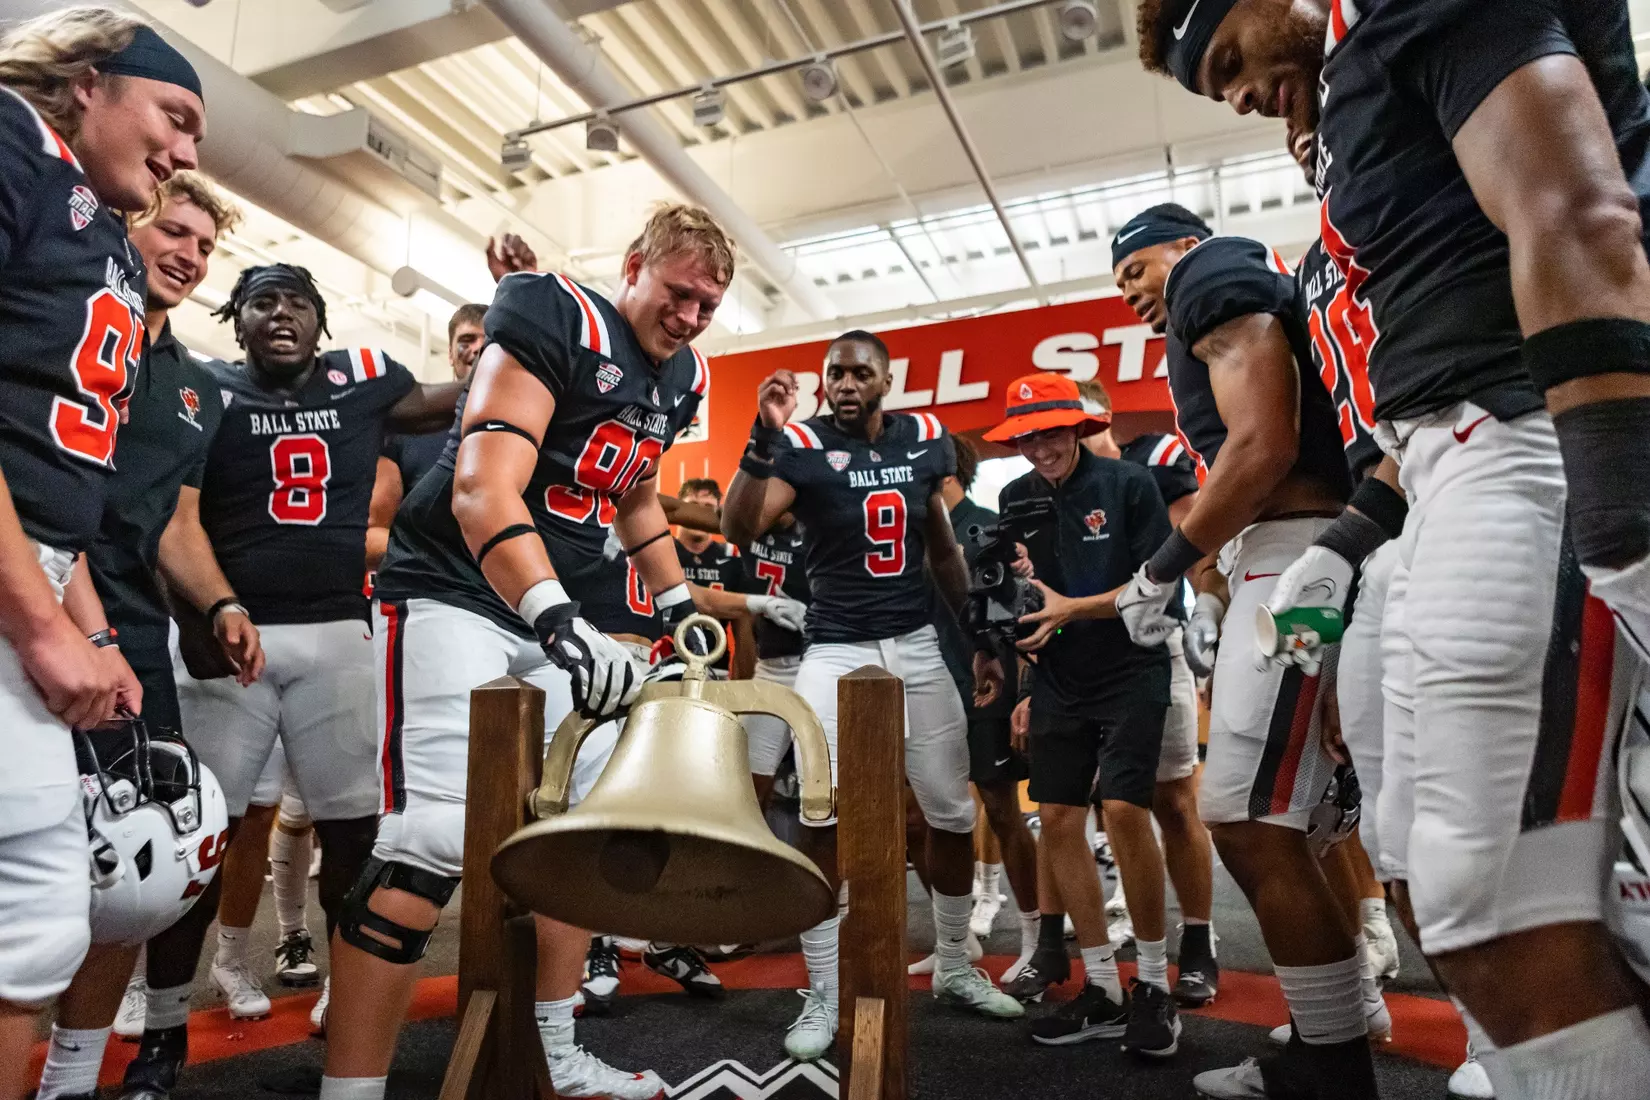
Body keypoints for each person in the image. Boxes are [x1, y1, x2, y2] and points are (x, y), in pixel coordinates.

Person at [1136, 2, 1650, 1095]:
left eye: (1227, 59)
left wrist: (1625, 513)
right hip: (1437, 468)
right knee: (1436, 866)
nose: (1234, 95)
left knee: (1502, 895)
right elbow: (1427, 366)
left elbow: (1579, 214)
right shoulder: (1366, 82)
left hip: (1524, 438)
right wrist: (1353, 539)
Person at [321, 204, 730, 1100]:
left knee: (582, 834)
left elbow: (635, 496)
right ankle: (349, 1089)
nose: (691, 316)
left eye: (709, 302)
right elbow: (479, 488)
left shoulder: (682, 373)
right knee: (426, 840)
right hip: (453, 590)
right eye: (679, 292)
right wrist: (561, 619)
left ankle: (555, 1051)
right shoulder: (554, 313)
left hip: (548, 607)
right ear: (633, 266)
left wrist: (677, 607)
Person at [118, 265, 459, 1099]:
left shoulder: (366, 381)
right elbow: (175, 518)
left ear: (322, 322)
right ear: (235, 322)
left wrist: (524, 305)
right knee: (201, 845)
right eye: (262, 302)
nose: (280, 315)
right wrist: (197, 619)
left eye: (296, 303)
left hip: (340, 632)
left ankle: (351, 1005)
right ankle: (162, 1029)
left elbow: (470, 389)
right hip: (233, 640)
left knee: (353, 839)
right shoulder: (205, 389)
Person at [1107, 203, 1380, 1098]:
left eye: (1135, 269)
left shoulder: (1212, 270)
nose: (1131, 292)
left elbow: (1264, 448)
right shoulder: (1231, 286)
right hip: (1302, 553)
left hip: (1302, 558)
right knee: (1305, 815)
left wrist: (1163, 571)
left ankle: (1332, 1059)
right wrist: (1217, 583)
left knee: (1248, 816)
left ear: (1181, 247)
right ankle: (1344, 1016)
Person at [723, 329, 1024, 1064]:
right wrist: (760, 441)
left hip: (918, 643)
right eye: (835, 373)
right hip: (836, 646)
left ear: (886, 381)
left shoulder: (925, 437)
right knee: (822, 815)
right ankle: (824, 988)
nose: (844, 384)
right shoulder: (797, 443)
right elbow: (739, 527)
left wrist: (980, 640)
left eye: (859, 373)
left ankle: (954, 965)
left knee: (951, 813)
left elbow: (943, 549)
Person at [0, 11, 203, 1098]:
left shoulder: (99, 238)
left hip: (34, 567)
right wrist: (41, 622)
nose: (182, 153)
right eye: (174, 117)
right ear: (88, 83)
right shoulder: (11, 142)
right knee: (25, 906)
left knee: (35, 918)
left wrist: (88, 625)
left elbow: (52, 477)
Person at [32, 169, 264, 1100]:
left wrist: (219, 606)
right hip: (32, 607)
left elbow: (177, 526)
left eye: (206, 246)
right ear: (129, 226)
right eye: (174, 232)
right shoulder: (70, 325)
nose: (190, 256)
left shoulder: (196, 390)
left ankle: (72, 1075)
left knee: (135, 871)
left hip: (132, 638)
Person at [969, 373, 1179, 1057]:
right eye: (1027, 435)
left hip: (1131, 667)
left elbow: (1157, 589)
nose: (1039, 446)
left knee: (1123, 812)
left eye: (1051, 431)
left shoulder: (1131, 485)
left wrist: (1071, 609)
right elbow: (1026, 599)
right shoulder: (1015, 496)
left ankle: (1153, 986)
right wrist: (1003, 656)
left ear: (1078, 426)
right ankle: (1102, 987)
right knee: (1056, 819)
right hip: (1057, 678)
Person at [1074, 379, 1221, 1009]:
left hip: (1155, 643)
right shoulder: (1058, 488)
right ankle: (1143, 938)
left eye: (1073, 419)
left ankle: (1199, 941)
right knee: (1106, 806)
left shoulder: (1154, 458)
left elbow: (1195, 543)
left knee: (1174, 799)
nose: (1063, 436)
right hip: (1086, 654)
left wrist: (1211, 606)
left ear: (1099, 412)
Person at [920, 433, 1041, 980]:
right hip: (926, 685)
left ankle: (1038, 937)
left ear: (948, 473)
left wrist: (1021, 685)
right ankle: (957, 939)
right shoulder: (913, 528)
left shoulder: (985, 526)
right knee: (930, 817)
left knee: (1001, 809)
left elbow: (1012, 617)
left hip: (983, 686)